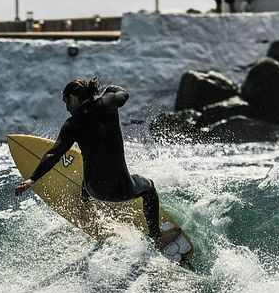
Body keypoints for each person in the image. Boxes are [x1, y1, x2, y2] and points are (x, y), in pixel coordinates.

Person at [15, 78, 174, 248]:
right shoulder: (108, 103)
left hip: (94, 190)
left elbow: (54, 153)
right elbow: (124, 94)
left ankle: (85, 205)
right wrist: (109, 89)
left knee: (90, 170)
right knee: (149, 187)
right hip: (122, 188)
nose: (67, 107)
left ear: (74, 98)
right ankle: (156, 236)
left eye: (66, 101)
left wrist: (33, 179)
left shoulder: (72, 124)